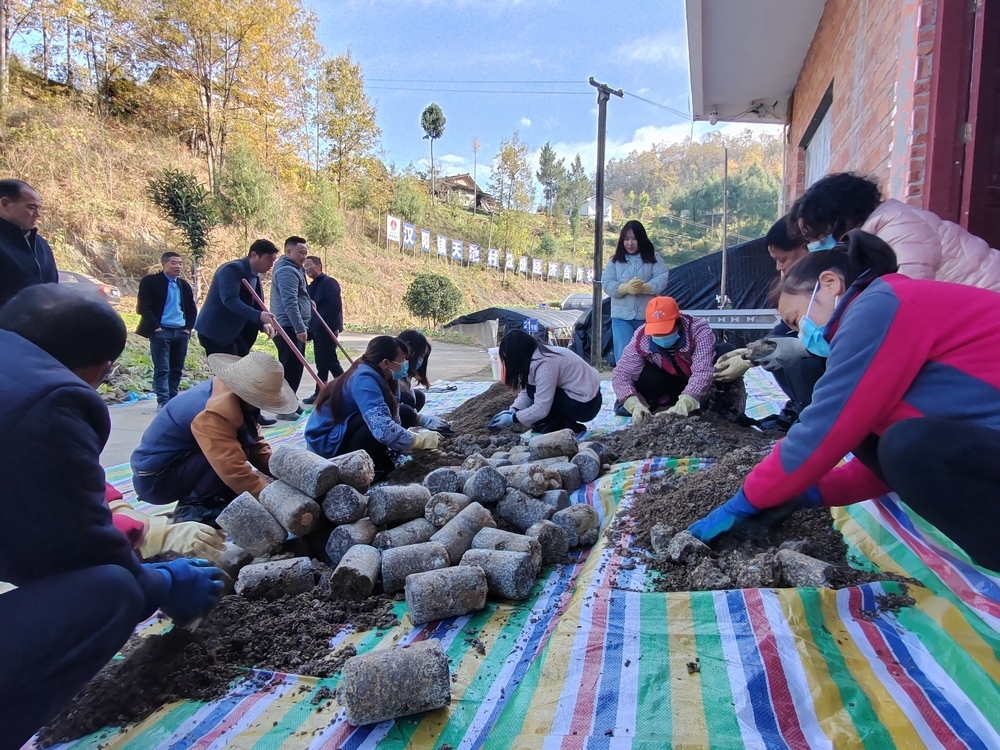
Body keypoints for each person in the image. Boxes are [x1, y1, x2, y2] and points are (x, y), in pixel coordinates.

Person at [687, 230, 1000, 572]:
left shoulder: (879, 306)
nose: (800, 334)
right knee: (880, 437)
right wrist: (808, 493)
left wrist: (744, 501)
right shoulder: (883, 308)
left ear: (830, 283)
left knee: (902, 442)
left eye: (796, 320)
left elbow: (826, 426)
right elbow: (894, 466)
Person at [0, 285, 224, 747]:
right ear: (102, 368)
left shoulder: (14, 374)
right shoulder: (52, 400)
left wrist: (129, 523)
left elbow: (71, 484)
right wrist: (161, 582)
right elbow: (74, 548)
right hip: (160, 476)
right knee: (112, 588)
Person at [130, 351, 296, 525]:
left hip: (180, 466)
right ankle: (194, 508)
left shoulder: (234, 396)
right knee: (231, 455)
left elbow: (255, 445)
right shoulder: (214, 413)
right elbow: (233, 469)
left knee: (241, 448)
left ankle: (214, 495)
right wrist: (274, 502)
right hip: (157, 479)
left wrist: (284, 473)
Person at [790, 171, 1000, 291]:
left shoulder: (898, 227)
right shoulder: (878, 231)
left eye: (820, 235)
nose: (820, 243)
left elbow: (904, 296)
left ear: (841, 217)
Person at [713, 216, 826, 430]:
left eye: (783, 259)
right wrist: (751, 352)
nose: (779, 267)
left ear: (806, 246)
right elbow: (784, 328)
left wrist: (798, 348)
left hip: (839, 377)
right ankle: (799, 407)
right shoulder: (799, 278)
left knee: (797, 361)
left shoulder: (830, 282)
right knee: (774, 348)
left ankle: (814, 416)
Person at [304, 336, 441, 480]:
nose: (405, 365)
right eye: (402, 361)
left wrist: (403, 443)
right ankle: (364, 465)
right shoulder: (364, 379)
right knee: (375, 422)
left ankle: (379, 456)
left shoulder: (386, 377)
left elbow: (395, 415)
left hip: (347, 430)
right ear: (386, 363)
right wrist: (417, 441)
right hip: (328, 443)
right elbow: (382, 427)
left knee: (405, 412)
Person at [613, 297, 743, 426]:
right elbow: (622, 373)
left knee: (725, 353)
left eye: (665, 330)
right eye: (656, 332)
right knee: (648, 375)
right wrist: (634, 405)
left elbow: (703, 371)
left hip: (701, 385)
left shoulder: (698, 329)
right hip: (671, 383)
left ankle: (723, 408)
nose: (661, 336)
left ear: (678, 322)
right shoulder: (642, 336)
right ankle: (660, 406)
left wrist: (685, 403)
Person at [488, 329, 602, 434]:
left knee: (536, 395)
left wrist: (513, 418)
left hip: (585, 405)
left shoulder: (546, 364)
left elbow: (542, 406)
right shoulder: (538, 355)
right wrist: (513, 410)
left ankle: (564, 425)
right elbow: (526, 391)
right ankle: (561, 422)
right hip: (583, 398)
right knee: (533, 391)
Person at [195, 239, 279, 357]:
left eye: (274, 260)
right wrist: (259, 316)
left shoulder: (255, 275)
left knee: (240, 365)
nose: (271, 265)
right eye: (269, 259)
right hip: (218, 332)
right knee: (225, 367)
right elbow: (230, 300)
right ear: (254, 255)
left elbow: (255, 303)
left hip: (239, 335)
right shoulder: (232, 269)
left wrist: (261, 324)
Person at [602, 220, 669, 364]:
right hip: (621, 318)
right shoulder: (614, 261)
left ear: (641, 239)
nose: (630, 243)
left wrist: (645, 288)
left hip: (648, 318)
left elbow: (662, 278)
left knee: (649, 357)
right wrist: (625, 288)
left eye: (634, 239)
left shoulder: (654, 258)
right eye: (626, 239)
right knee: (624, 358)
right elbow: (607, 284)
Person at [136, 251, 198, 409]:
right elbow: (143, 307)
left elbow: (191, 309)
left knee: (177, 369)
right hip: (162, 331)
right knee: (162, 369)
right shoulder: (151, 282)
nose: (178, 266)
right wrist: (156, 327)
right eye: (174, 263)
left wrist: (188, 329)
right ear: (163, 264)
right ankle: (163, 401)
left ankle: (173, 401)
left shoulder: (183, 285)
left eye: (180, 263)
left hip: (181, 331)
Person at [270, 236, 312, 420]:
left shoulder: (296, 269)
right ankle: (284, 408)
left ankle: (291, 402)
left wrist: (309, 302)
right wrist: (299, 328)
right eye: (300, 253)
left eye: (305, 253)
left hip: (293, 325)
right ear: (288, 251)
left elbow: (299, 295)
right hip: (288, 326)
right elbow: (290, 302)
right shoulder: (287, 271)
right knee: (290, 368)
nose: (304, 257)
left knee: (296, 367)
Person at [0, 178, 57, 308]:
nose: (38, 214)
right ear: (5, 204)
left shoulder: (41, 245)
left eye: (39, 208)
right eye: (31, 207)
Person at [302, 255, 344, 405]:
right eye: (305, 266)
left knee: (330, 360)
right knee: (322, 361)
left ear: (319, 266)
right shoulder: (311, 286)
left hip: (327, 327)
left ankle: (344, 387)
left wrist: (334, 327)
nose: (306, 268)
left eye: (309, 265)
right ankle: (322, 390)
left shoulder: (329, 283)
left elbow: (335, 307)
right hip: (317, 328)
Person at [397, 328, 451, 434]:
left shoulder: (404, 371)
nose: (421, 360)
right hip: (374, 421)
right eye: (420, 356)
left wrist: (416, 415)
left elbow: (409, 393)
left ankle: (404, 426)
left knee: (418, 396)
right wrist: (416, 419)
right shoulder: (390, 370)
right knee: (406, 408)